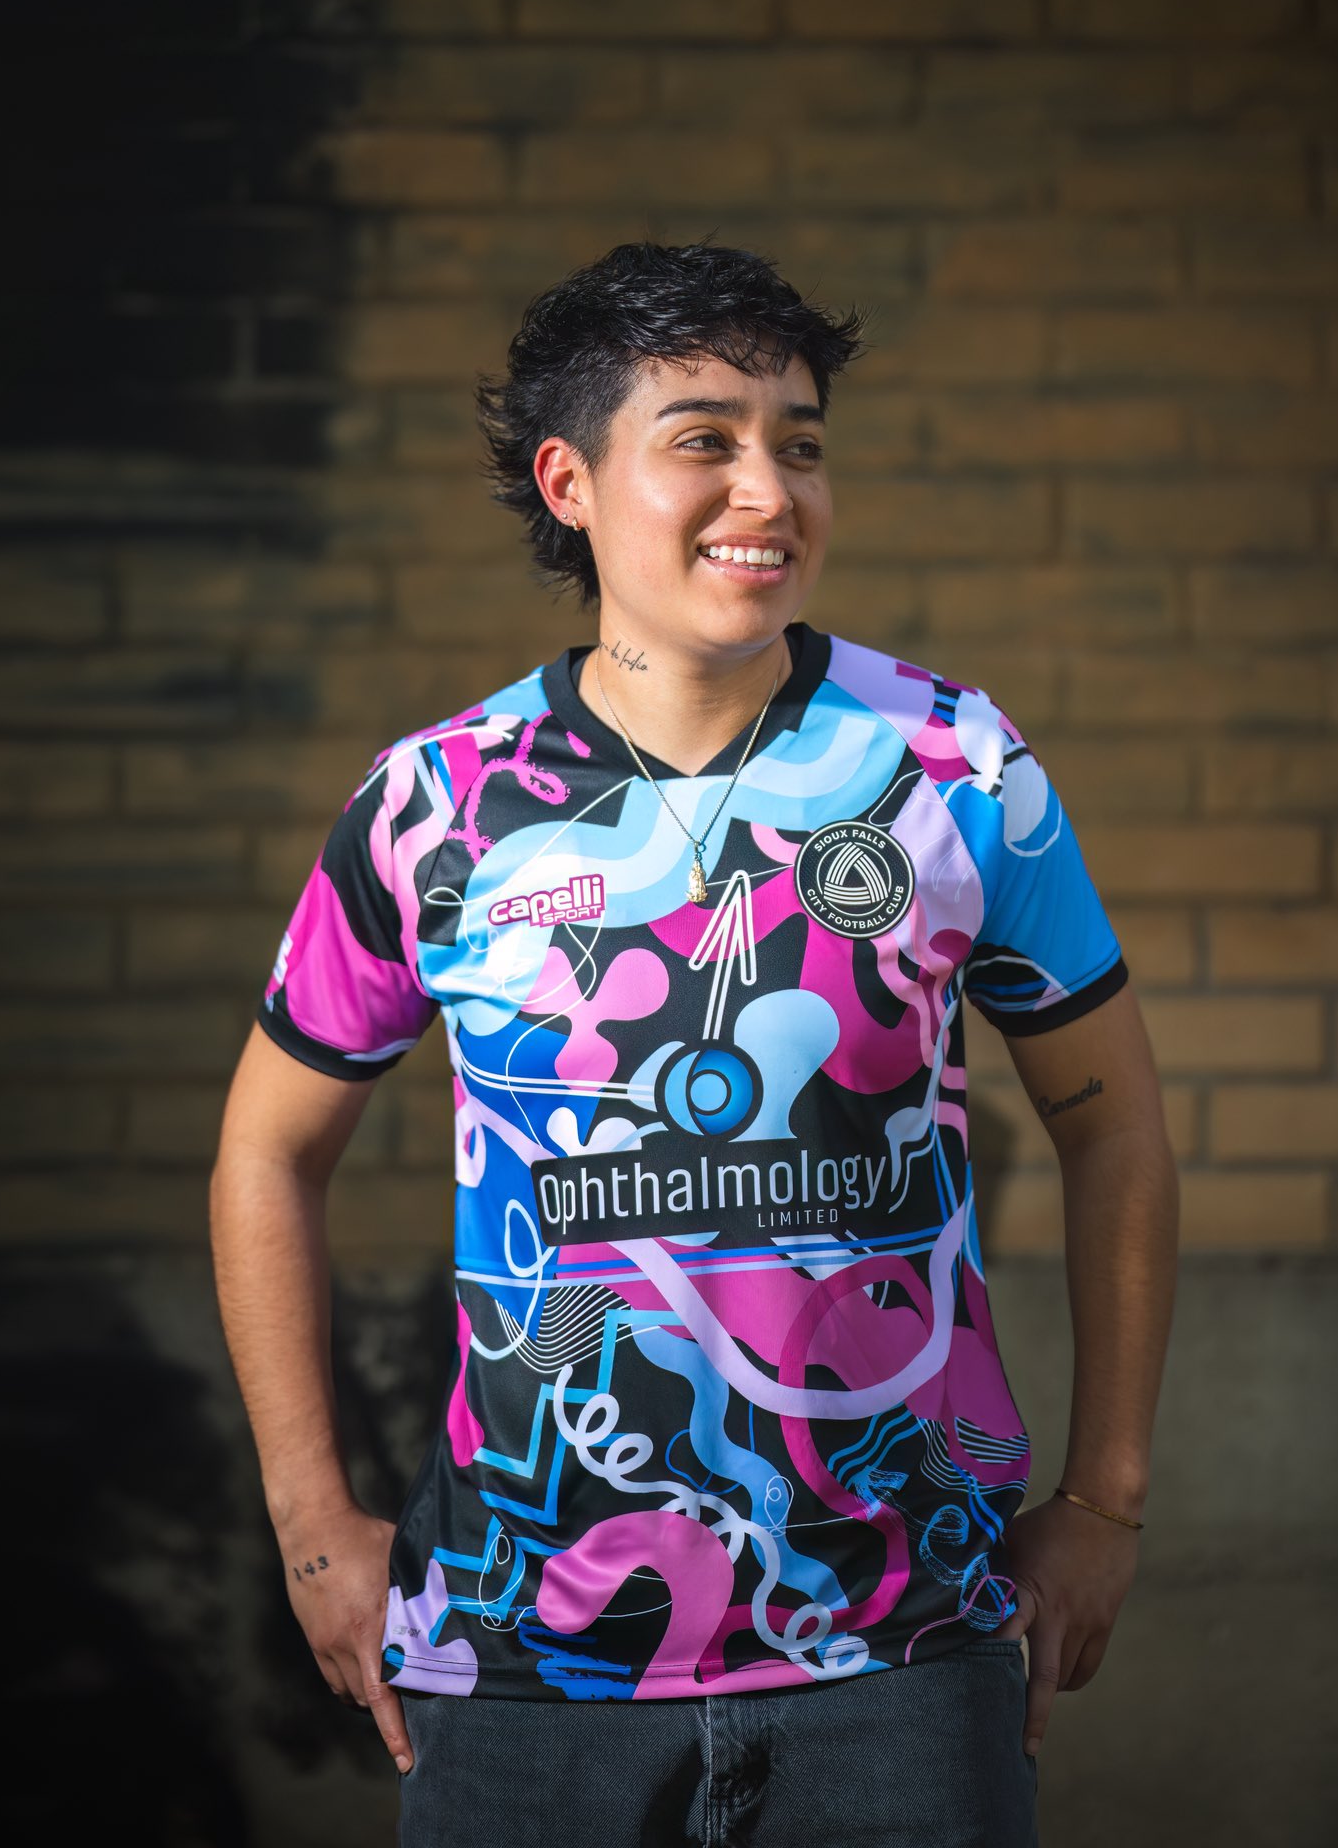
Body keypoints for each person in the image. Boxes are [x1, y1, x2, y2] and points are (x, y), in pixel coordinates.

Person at [210, 238, 1179, 1847]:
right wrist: (312, 1524)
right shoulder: (437, 805)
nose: (767, 491)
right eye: (704, 441)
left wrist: (1103, 1500)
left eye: (799, 444)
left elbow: (1115, 1128)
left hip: (903, 1658)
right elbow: (265, 1147)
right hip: (524, 1667)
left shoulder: (952, 767)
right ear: (570, 483)